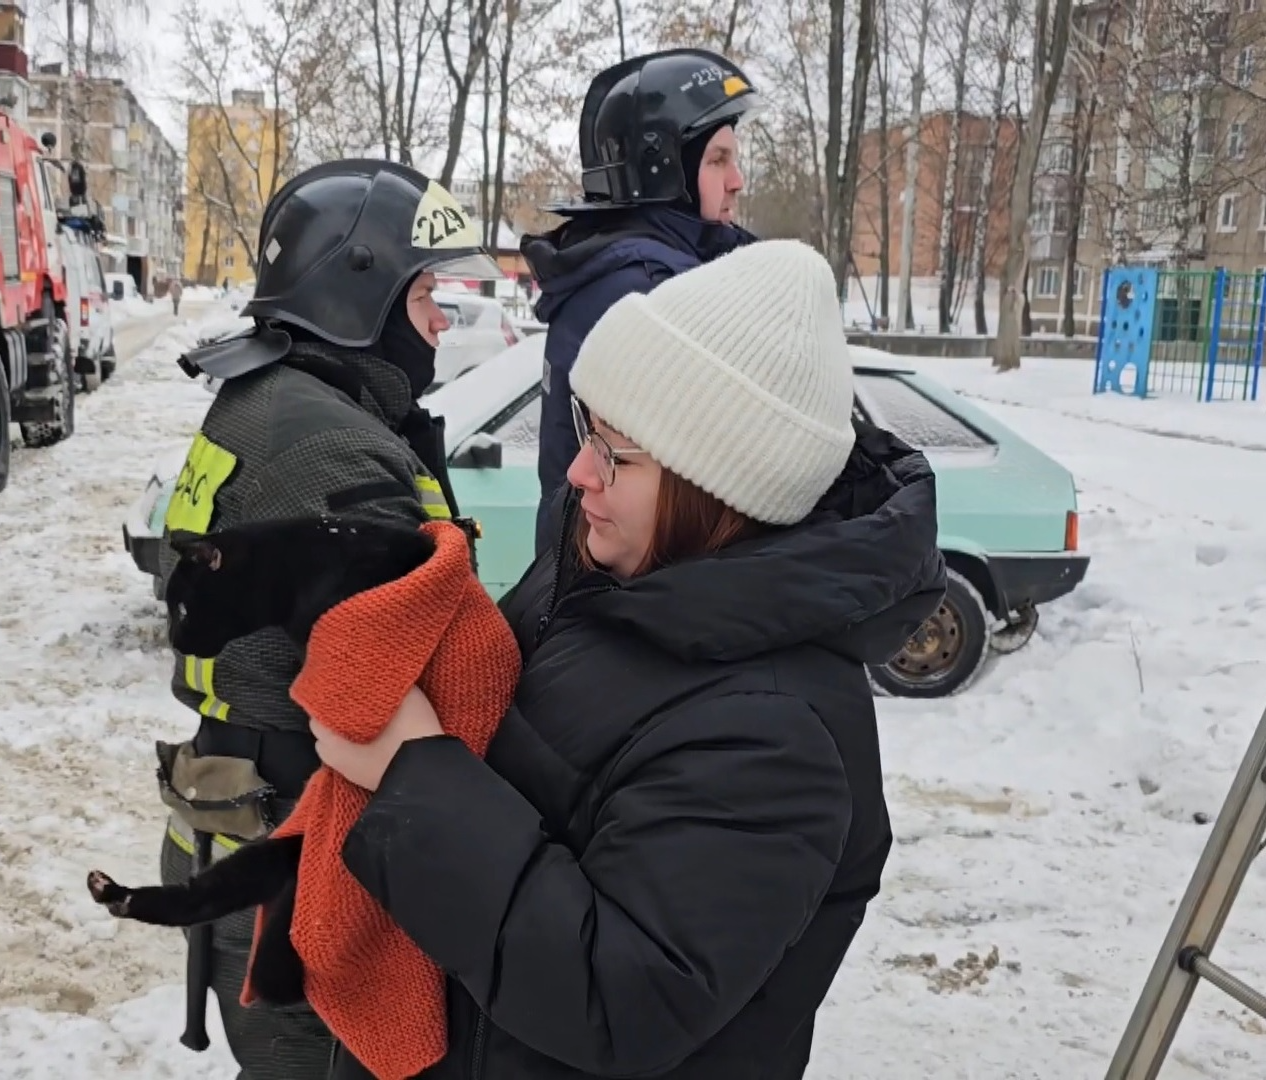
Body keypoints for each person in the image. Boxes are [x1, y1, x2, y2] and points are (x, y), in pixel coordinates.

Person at [310, 239, 948, 1078]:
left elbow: (623, 997)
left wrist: (412, 776)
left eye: (618, 451)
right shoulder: (610, 572)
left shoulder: (776, 736)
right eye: (587, 430)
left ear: (720, 489)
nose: (578, 472)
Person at [155, 158, 504, 1080]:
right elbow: (401, 685)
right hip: (301, 864)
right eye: (426, 293)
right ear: (363, 292)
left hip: (246, 821)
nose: (440, 319)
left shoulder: (272, 400)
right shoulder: (326, 443)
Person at [521, 47, 764, 555]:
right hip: (630, 586)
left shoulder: (620, 267)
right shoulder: (648, 287)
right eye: (719, 160)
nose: (737, 180)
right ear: (664, 170)